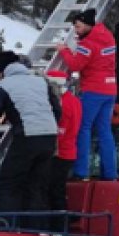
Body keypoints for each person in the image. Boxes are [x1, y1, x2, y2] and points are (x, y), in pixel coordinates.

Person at [0, 52, 62, 229]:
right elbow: (56, 109)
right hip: (49, 137)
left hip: (27, 136)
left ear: (1, 71)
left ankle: (4, 227)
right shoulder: (40, 81)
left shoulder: (4, 85)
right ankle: (36, 230)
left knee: (10, 182)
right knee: (36, 185)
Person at [55, 8, 118, 181]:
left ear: (88, 24)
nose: (76, 30)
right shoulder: (107, 36)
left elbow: (75, 65)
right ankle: (110, 173)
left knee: (83, 128)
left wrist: (64, 50)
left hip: (93, 90)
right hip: (110, 89)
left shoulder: (88, 44)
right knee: (105, 130)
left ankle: (81, 171)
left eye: (78, 26)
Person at [44, 70, 82, 221]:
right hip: (68, 151)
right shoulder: (74, 101)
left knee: (52, 190)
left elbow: (61, 130)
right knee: (57, 189)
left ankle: (56, 223)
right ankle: (59, 222)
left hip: (59, 152)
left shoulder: (62, 104)